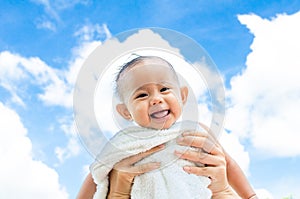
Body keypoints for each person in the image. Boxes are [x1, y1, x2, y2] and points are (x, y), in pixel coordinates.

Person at [77, 56, 257, 199]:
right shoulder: (125, 142)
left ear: (183, 96)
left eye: (164, 89)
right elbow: (96, 175)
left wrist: (250, 196)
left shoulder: (194, 132)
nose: (156, 99)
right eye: (141, 95)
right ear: (126, 112)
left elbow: (229, 164)